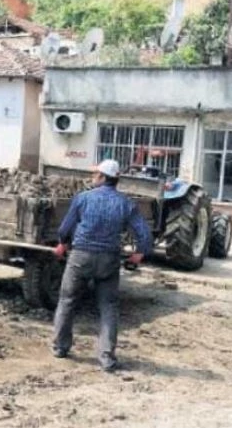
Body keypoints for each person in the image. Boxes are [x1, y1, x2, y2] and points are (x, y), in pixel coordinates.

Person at [51, 159, 153, 372]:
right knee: (108, 307)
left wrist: (62, 244)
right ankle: (106, 357)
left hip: (81, 257)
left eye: (95, 173)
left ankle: (61, 347)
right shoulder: (126, 203)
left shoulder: (83, 198)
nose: (92, 177)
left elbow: (65, 228)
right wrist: (139, 253)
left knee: (67, 300)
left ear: (103, 177)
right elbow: (144, 234)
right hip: (109, 259)